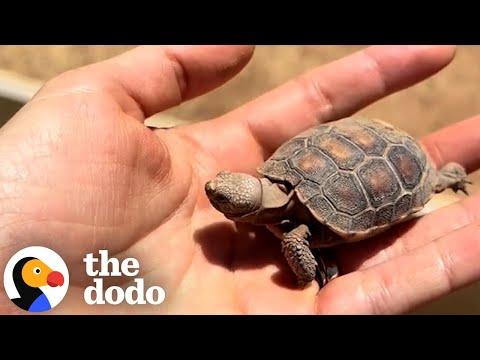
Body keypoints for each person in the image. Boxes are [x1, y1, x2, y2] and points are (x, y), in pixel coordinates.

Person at [0, 45, 477, 315]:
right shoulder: (276, 199)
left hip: (396, 165)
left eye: (225, 201)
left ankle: (434, 178)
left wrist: (307, 269)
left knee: (426, 184)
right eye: (226, 199)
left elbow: (301, 252)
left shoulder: (296, 232)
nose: (216, 196)